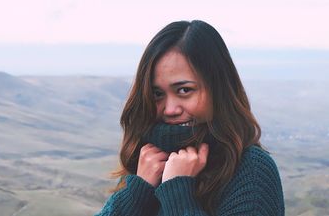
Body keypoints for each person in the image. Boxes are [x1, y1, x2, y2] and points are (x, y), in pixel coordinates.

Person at [94, 20, 284, 216]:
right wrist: (136, 192)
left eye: (184, 90)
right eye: (157, 94)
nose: (170, 109)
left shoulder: (251, 170)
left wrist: (178, 193)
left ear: (218, 91)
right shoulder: (147, 162)